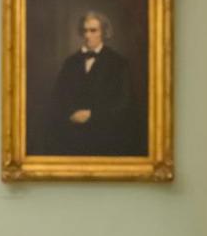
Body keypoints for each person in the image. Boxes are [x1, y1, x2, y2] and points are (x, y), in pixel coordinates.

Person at [46, 11, 138, 156]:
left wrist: (92, 115)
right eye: (85, 30)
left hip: (105, 139)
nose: (87, 35)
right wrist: (70, 115)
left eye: (93, 30)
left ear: (104, 32)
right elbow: (57, 98)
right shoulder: (70, 62)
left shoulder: (118, 63)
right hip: (71, 139)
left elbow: (124, 104)